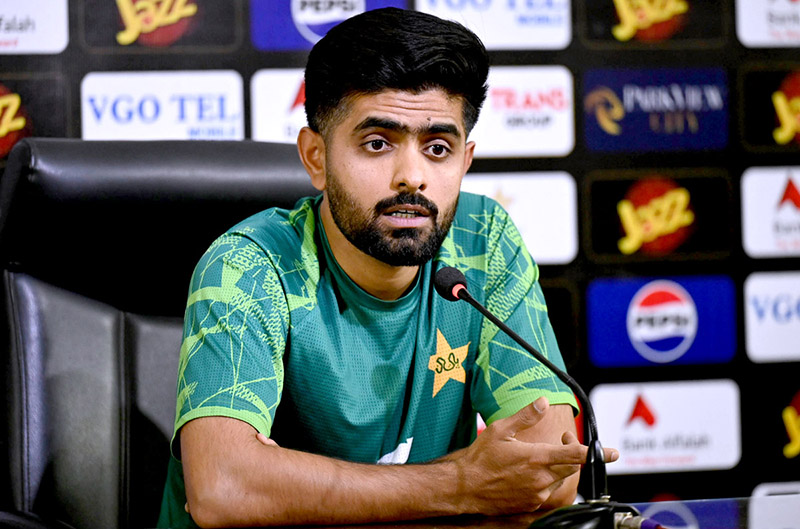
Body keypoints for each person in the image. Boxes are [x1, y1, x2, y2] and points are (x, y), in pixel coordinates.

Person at [157, 7, 618, 529]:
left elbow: (550, 471)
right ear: (316, 158)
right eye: (378, 143)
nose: (412, 177)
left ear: (465, 161)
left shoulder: (482, 240)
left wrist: (299, 484)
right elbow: (224, 488)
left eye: (438, 148)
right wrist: (461, 482)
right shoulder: (249, 262)